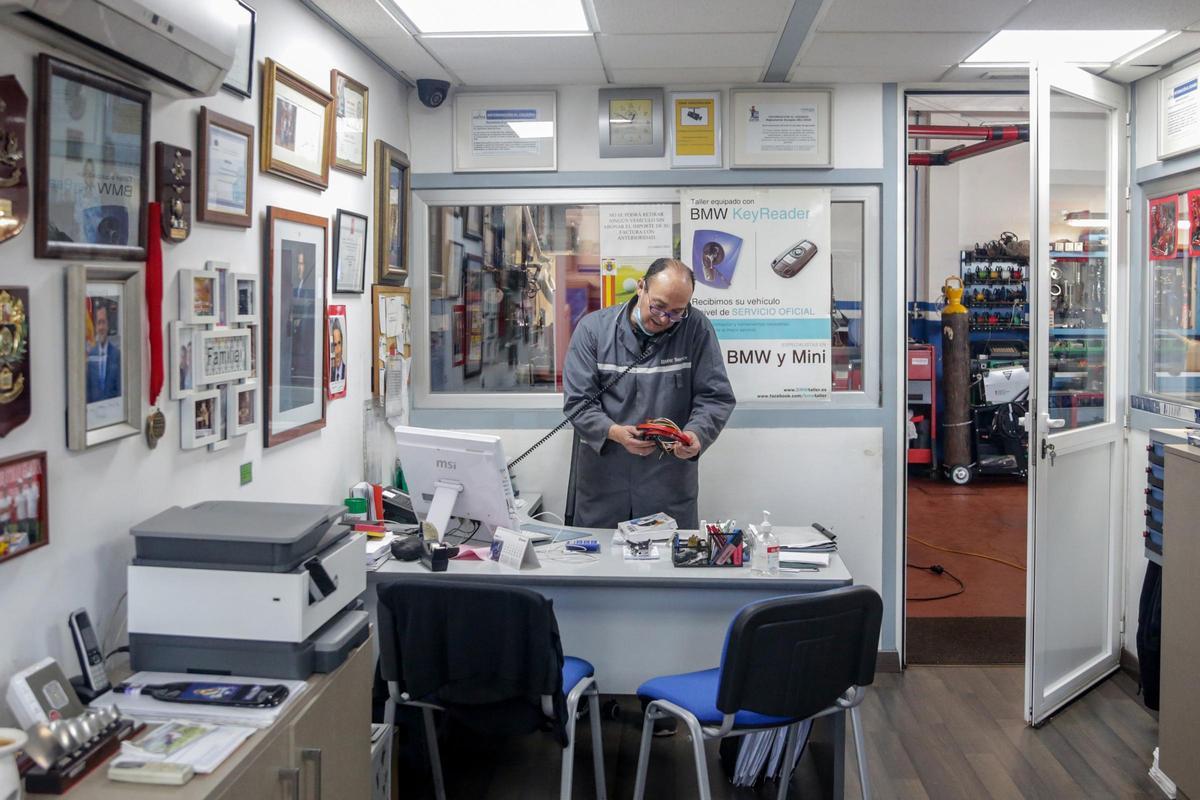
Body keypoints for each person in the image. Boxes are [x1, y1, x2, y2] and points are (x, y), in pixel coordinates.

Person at [562, 257, 735, 530]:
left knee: (668, 567)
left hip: (668, 479)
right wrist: (615, 432)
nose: (665, 319)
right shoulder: (593, 330)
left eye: (677, 312)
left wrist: (697, 434)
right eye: (658, 306)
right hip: (605, 478)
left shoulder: (696, 329)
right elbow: (578, 402)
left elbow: (715, 397)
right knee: (599, 566)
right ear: (641, 287)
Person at [86, 302, 121, 402]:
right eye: (98, 322)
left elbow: (119, 389)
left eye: (103, 322)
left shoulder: (117, 355)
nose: (101, 327)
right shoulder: (90, 354)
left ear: (108, 325)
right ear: (95, 326)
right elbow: (88, 390)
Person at [329, 319, 346, 384]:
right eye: (334, 345)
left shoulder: (347, 372)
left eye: (339, 343)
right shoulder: (330, 374)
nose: (338, 351)